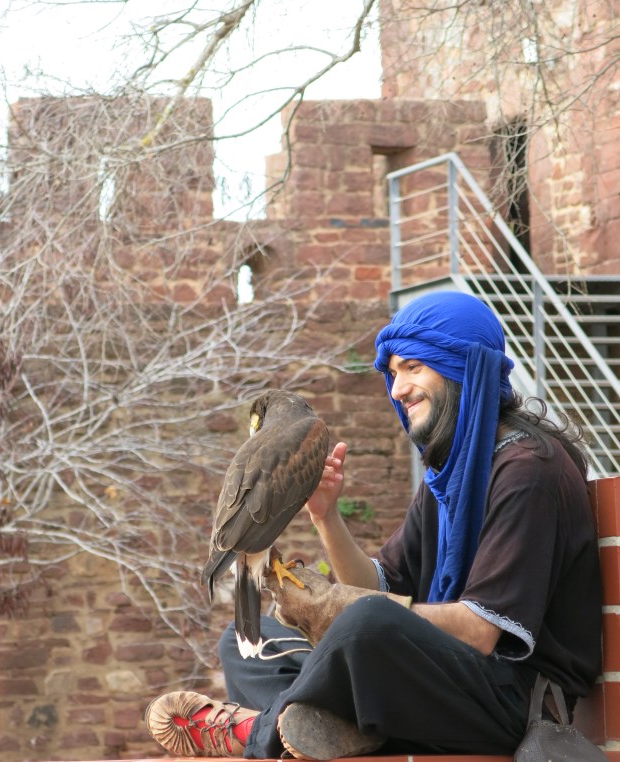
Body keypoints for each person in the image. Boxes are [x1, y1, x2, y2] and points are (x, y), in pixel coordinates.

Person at [144, 291, 603, 759]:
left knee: (366, 620)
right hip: (434, 679)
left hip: (512, 700)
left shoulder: (528, 471)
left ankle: (256, 733)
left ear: (462, 366)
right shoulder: (452, 470)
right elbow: (378, 583)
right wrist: (325, 515)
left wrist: (341, 608)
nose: (398, 389)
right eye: (394, 372)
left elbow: (480, 632)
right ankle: (334, 727)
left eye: (413, 367)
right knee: (248, 643)